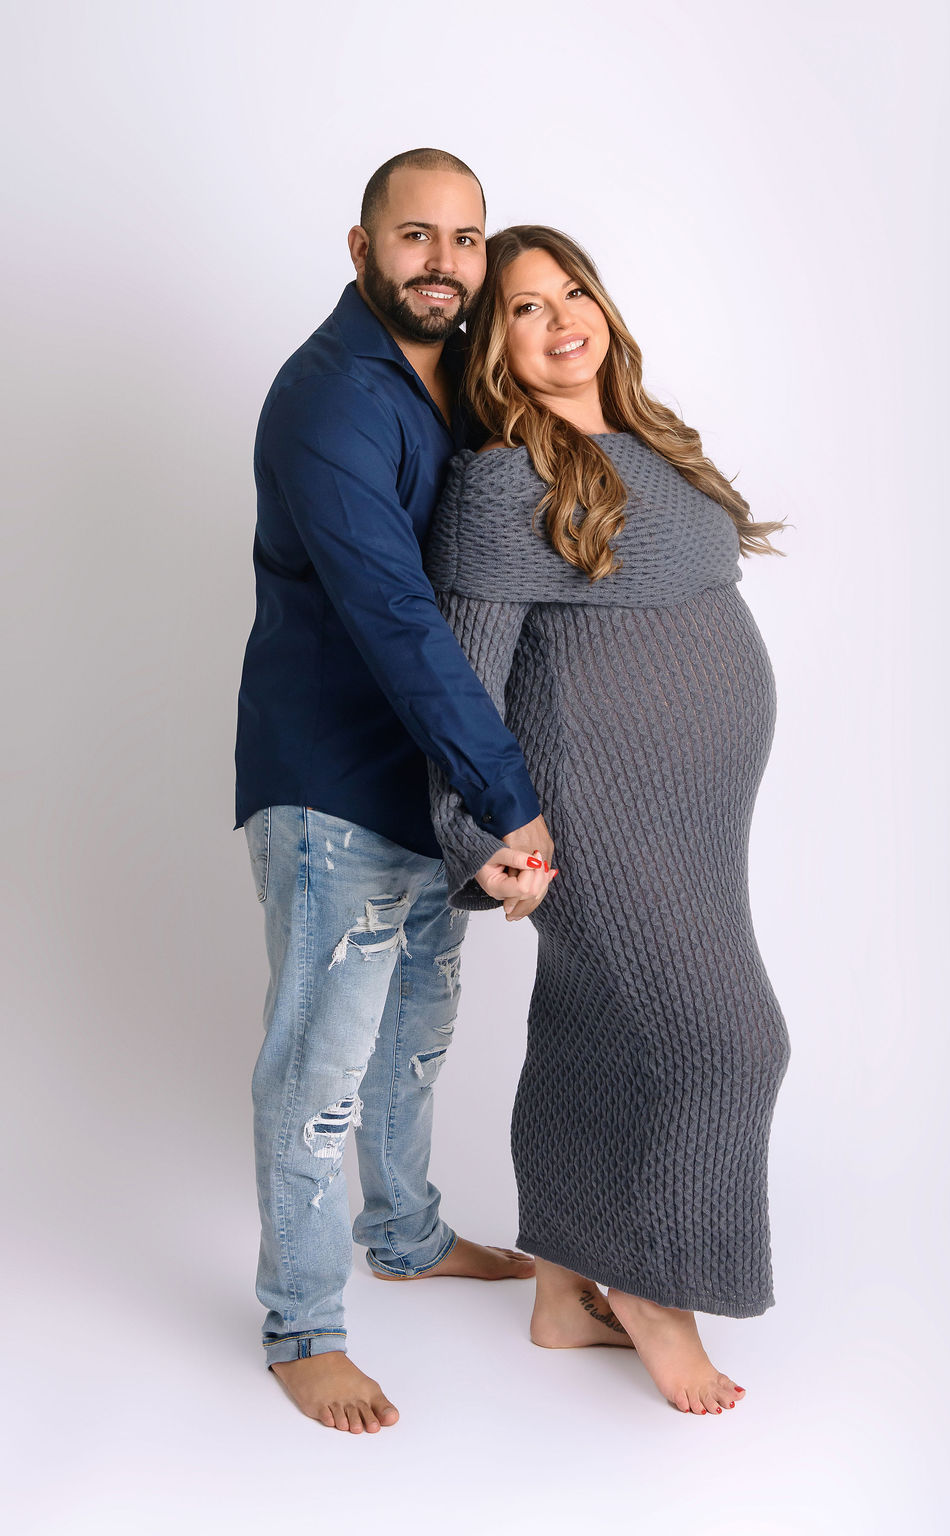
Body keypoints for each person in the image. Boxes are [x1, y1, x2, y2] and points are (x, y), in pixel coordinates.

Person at [424, 225, 793, 1416]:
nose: (559, 318)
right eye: (524, 308)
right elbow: (463, 687)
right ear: (494, 347)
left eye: (571, 292)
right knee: (728, 1044)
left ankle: (559, 1289)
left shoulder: (651, 440)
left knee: (596, 1028)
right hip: (595, 803)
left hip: (694, 810)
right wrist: (488, 835)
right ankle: (650, 1292)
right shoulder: (499, 481)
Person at [234, 153, 559, 1435]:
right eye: (415, 235)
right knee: (317, 1066)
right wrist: (510, 797)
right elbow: (397, 616)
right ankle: (301, 1327)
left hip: (424, 788)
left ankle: (410, 1238)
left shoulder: (450, 379)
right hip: (331, 789)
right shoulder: (332, 400)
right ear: (360, 246)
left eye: (466, 239)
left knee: (414, 1036)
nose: (445, 261)